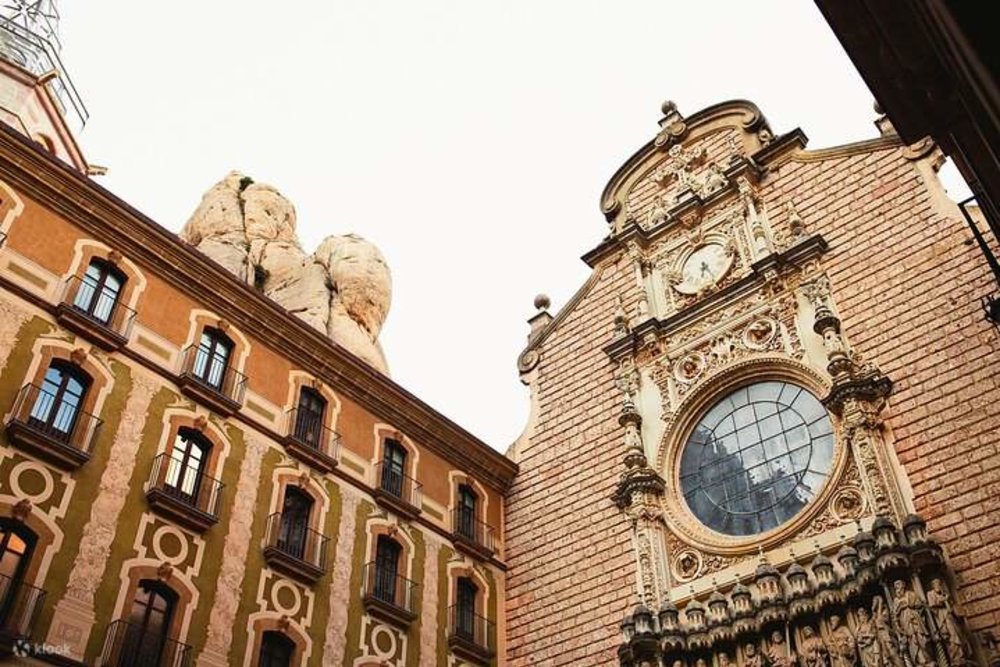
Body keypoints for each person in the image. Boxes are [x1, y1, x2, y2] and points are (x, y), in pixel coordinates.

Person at [891, 580, 933, 666]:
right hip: (905, 623)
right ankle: (919, 662)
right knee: (912, 642)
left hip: (916, 620)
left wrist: (908, 605)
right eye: (895, 586)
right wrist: (899, 609)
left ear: (903, 585)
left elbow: (920, 605)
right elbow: (894, 615)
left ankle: (928, 660)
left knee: (922, 640)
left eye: (898, 585)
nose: (897, 588)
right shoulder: (896, 600)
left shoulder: (911, 594)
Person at [926, 578, 966, 664]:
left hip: (950, 616)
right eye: (936, 584)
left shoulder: (944, 594)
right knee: (950, 636)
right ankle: (954, 657)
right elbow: (932, 606)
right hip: (941, 618)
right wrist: (943, 600)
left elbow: (952, 607)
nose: (938, 585)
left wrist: (946, 599)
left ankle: (960, 655)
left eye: (939, 584)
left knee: (956, 633)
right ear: (933, 586)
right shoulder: (930, 594)